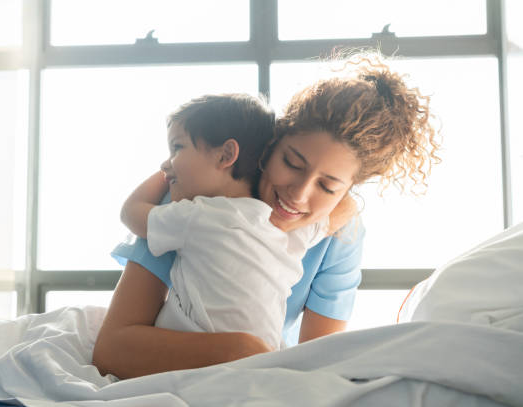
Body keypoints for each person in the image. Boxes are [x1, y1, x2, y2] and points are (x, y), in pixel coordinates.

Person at [92, 52, 441, 380]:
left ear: (348, 190)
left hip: (262, 376)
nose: (299, 194)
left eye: (329, 186)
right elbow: (112, 350)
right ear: (270, 145)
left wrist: (259, 361)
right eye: (291, 163)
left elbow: (316, 365)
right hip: (193, 366)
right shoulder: (192, 203)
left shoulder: (338, 235)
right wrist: (243, 351)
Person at [120, 94, 328, 352]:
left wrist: (165, 176)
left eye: (177, 148)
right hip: (267, 357)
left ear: (226, 154)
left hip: (197, 364)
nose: (166, 163)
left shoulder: (197, 216)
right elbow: (335, 216)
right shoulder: (288, 229)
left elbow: (130, 212)